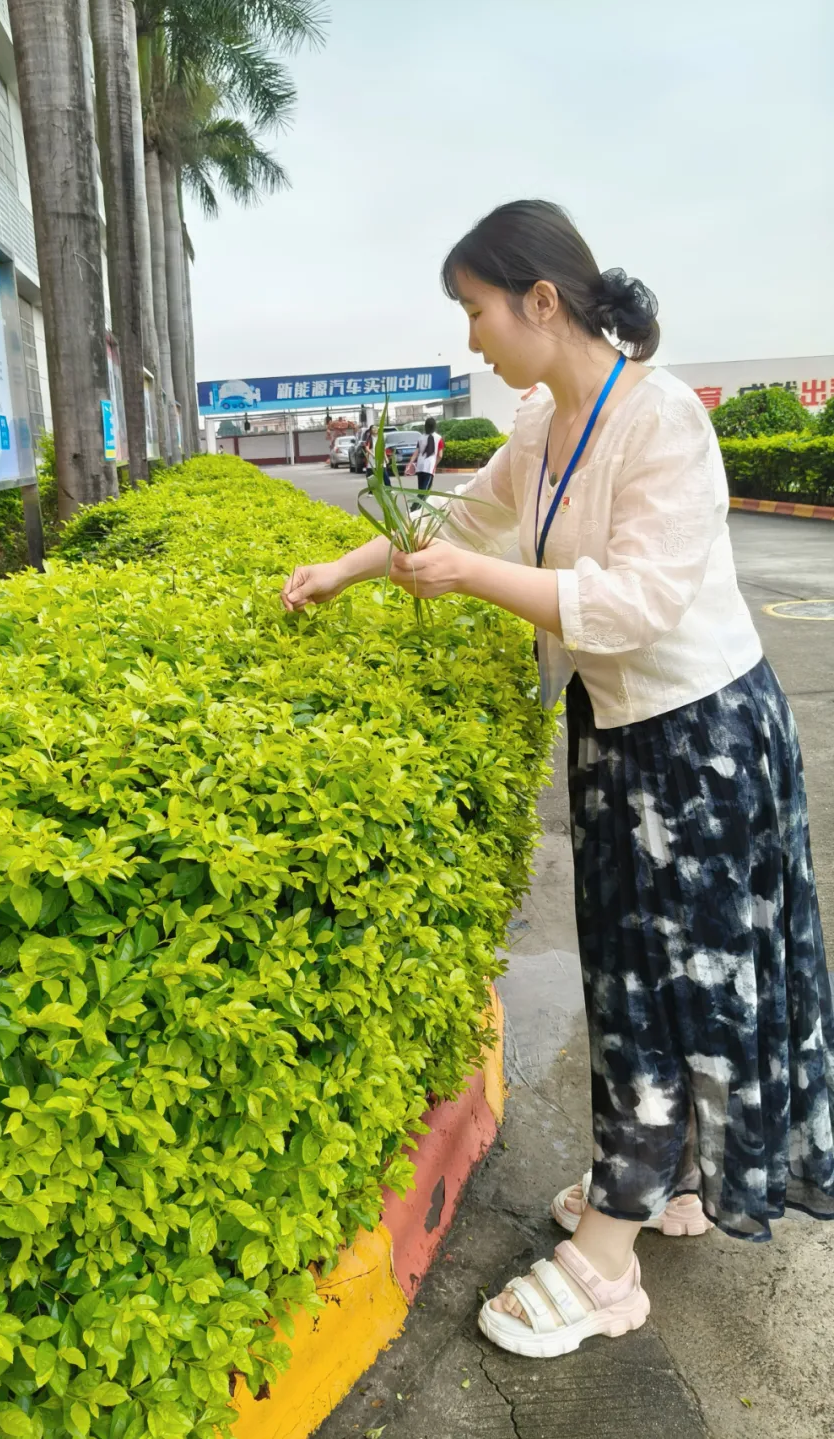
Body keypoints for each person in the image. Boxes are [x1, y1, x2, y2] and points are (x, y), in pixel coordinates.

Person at [281, 199, 834, 1360]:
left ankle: (609, 1259)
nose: (470, 337)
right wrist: (345, 564)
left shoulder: (662, 422)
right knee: (637, 975)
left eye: (476, 310)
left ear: (542, 300)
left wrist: (471, 577)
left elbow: (634, 606)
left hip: (701, 745)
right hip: (619, 733)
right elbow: (461, 511)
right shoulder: (544, 421)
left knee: (666, 990)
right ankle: (663, 1181)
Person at [410, 415, 441, 493]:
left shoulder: (421, 438)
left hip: (420, 466)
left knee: (421, 490)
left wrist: (410, 463)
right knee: (425, 491)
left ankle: (419, 501)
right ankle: (416, 502)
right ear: (434, 426)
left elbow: (416, 453)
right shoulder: (439, 438)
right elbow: (440, 455)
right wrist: (435, 464)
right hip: (429, 467)